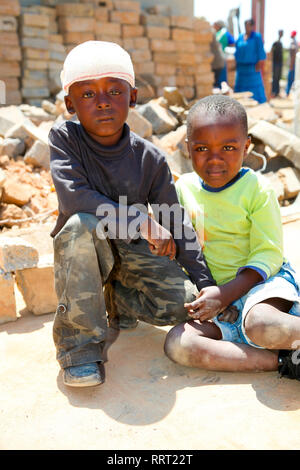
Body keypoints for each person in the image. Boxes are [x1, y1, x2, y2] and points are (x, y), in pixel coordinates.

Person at [49, 40, 216, 387]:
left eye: (113, 91)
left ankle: (119, 301)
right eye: (88, 95)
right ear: (69, 103)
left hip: (129, 252)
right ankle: (79, 349)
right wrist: (141, 220)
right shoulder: (65, 139)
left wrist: (207, 286)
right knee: (81, 224)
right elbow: (74, 198)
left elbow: (174, 220)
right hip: (84, 253)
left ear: (133, 96)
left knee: (184, 305)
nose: (103, 102)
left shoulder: (150, 158)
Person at [164, 95, 300, 381]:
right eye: (202, 148)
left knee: (261, 325)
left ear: (246, 147)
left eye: (228, 147)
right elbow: (179, 241)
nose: (215, 158)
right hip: (215, 300)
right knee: (179, 344)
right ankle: (285, 362)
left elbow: (269, 255)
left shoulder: (257, 190)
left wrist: (226, 294)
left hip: (260, 288)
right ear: (188, 149)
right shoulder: (183, 189)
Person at [234, 19, 267, 103]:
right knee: (240, 92)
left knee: (254, 91)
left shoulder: (257, 37)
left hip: (252, 69)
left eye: (248, 25)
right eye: (245, 25)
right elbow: (237, 51)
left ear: (252, 26)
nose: (246, 27)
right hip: (241, 69)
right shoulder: (240, 37)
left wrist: (258, 65)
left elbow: (261, 53)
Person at [213, 20, 235, 85]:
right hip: (221, 59)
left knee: (218, 82)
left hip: (217, 60)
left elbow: (233, 43)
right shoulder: (224, 33)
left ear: (218, 26)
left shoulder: (218, 34)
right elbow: (232, 43)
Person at [271, 30, 284, 97]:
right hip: (276, 63)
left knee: (278, 78)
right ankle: (274, 92)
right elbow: (271, 51)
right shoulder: (275, 42)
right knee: (275, 78)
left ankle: (277, 92)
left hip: (279, 63)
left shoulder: (281, 43)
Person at [286, 31, 298, 96]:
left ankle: (287, 92)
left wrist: (291, 64)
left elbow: (293, 54)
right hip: (294, 64)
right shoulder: (295, 42)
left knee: (290, 78)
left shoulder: (293, 42)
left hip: (292, 64)